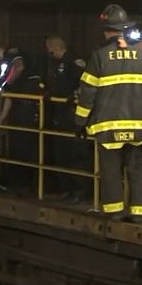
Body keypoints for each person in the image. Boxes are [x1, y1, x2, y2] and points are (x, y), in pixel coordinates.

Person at [75, 4, 142, 223]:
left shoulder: (99, 56)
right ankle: (140, 213)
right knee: (138, 169)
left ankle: (114, 212)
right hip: (139, 127)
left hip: (108, 126)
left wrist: (80, 122)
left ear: (106, 30)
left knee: (110, 171)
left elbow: (87, 92)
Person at [0, 43, 43, 194]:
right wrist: (2, 118)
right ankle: (19, 182)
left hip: (28, 109)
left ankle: (30, 184)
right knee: (19, 146)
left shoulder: (12, 55)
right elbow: (10, 97)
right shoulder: (8, 66)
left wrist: (6, 85)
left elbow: (19, 67)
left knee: (27, 146)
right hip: (18, 111)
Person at [44, 35, 92, 203]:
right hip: (59, 113)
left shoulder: (74, 62)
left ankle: (81, 190)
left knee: (77, 153)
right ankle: (66, 188)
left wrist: (75, 94)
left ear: (56, 47)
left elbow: (85, 82)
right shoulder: (54, 64)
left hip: (74, 113)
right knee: (61, 152)